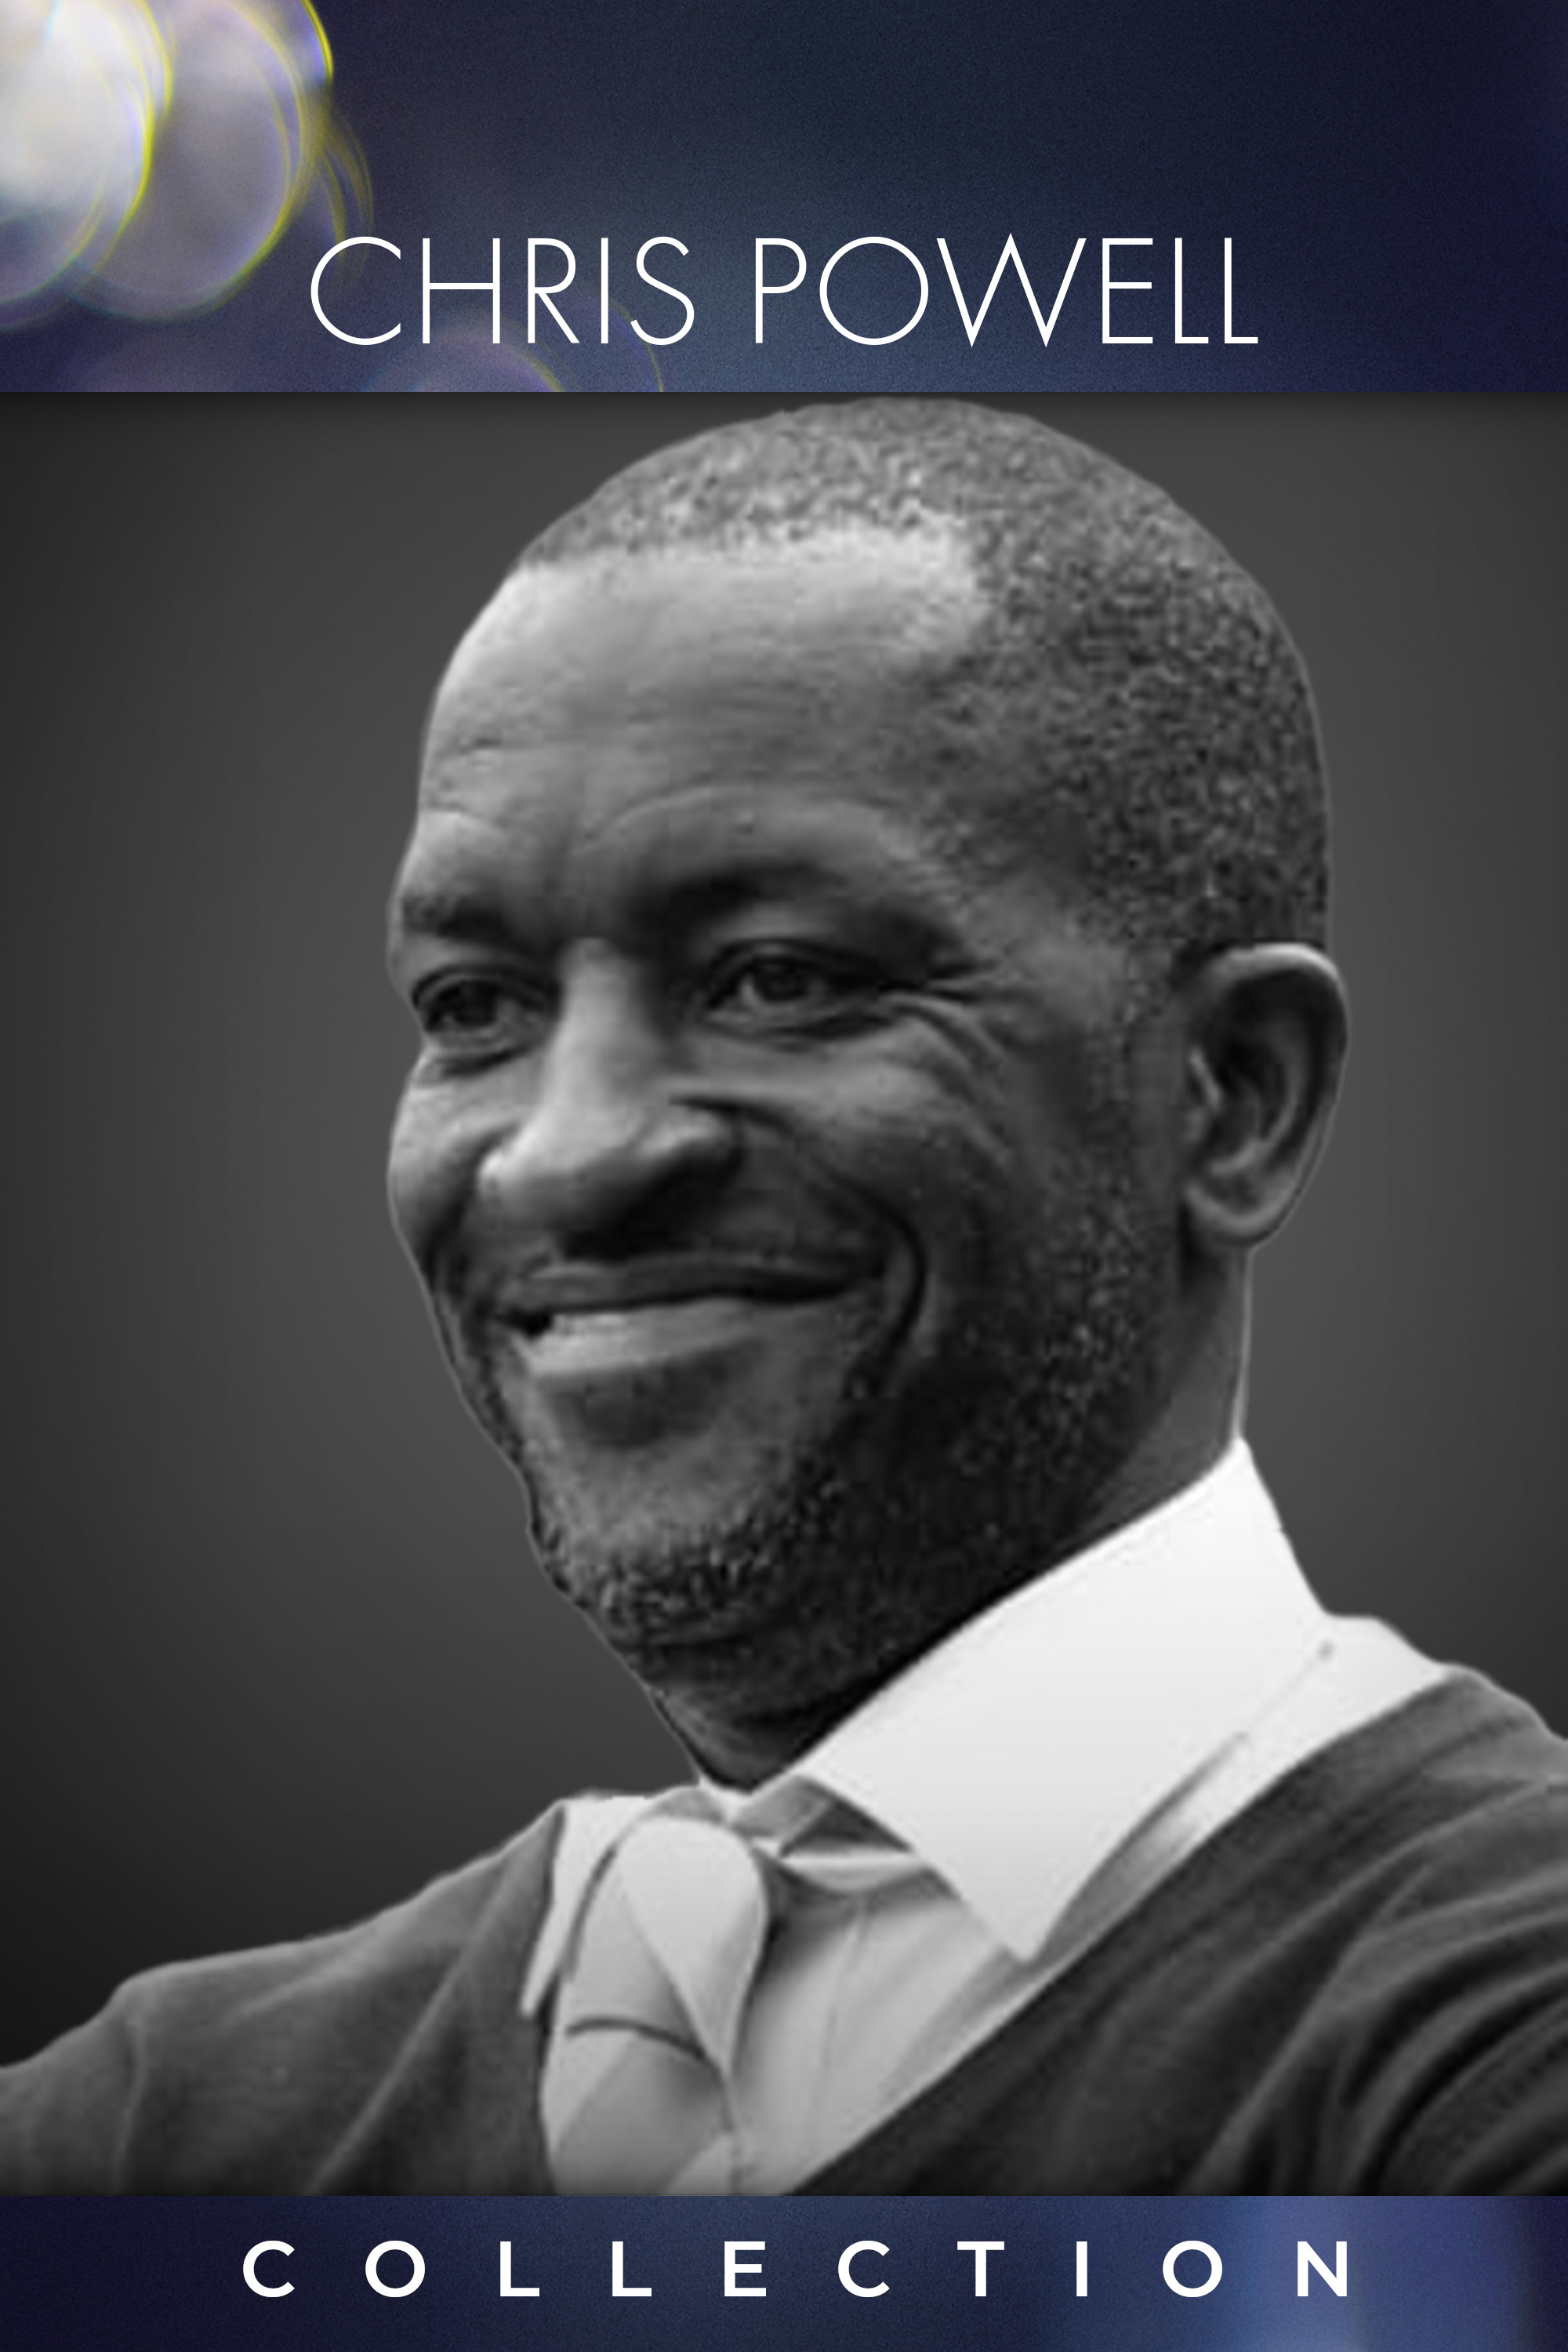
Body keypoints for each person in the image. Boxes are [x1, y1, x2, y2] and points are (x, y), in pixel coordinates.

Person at [3, 397, 1566, 2194]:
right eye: (472, 1007)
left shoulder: (1487, 2050)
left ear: (1232, 1095)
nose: (562, 1157)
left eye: (779, 977)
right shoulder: (155, 2131)